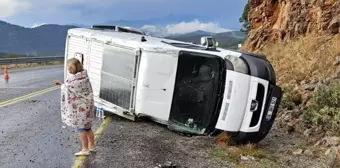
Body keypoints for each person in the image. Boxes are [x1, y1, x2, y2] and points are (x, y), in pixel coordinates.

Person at [54, 58, 96, 156]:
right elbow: (71, 87)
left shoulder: (72, 79)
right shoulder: (85, 77)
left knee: (80, 128)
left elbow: (68, 88)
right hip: (88, 106)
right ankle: (93, 146)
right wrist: (63, 85)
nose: (68, 68)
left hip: (79, 108)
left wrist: (61, 85)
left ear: (72, 68)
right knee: (88, 127)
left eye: (69, 67)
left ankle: (85, 149)